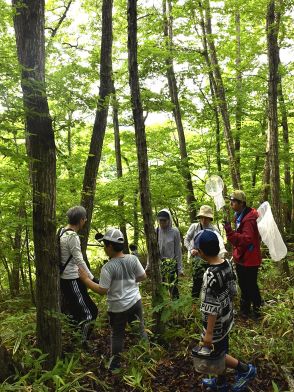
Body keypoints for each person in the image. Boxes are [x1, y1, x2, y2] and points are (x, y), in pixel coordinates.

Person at [195, 230, 256, 392]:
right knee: (222, 349)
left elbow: (211, 307)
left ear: (201, 252)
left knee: (217, 354)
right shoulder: (227, 264)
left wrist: (208, 333)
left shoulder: (210, 275)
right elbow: (234, 291)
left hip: (215, 325)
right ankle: (221, 383)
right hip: (227, 317)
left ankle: (245, 370)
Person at [79, 228, 148, 371]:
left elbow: (102, 290)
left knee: (117, 335)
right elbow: (143, 276)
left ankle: (115, 365)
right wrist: (129, 282)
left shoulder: (108, 268)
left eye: (104, 245)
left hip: (118, 308)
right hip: (135, 302)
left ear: (110, 246)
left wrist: (85, 279)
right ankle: (146, 357)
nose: (104, 247)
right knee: (139, 329)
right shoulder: (132, 259)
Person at [59, 206, 98, 346]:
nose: (85, 221)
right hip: (71, 279)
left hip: (68, 279)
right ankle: (82, 343)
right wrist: (92, 278)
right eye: (85, 218)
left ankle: (76, 338)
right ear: (81, 220)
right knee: (90, 313)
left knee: (76, 313)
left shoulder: (61, 231)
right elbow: (79, 260)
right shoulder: (72, 236)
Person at [223, 190, 262, 320]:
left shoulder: (249, 219)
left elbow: (247, 239)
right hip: (243, 258)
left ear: (242, 203)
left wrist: (229, 232)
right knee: (244, 285)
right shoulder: (240, 215)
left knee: (250, 285)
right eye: (231, 201)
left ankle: (257, 311)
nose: (231, 204)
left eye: (233, 202)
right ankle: (245, 310)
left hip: (249, 259)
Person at [184, 205, 226, 299]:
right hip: (197, 260)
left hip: (210, 261)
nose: (203, 220)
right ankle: (194, 305)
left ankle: (208, 300)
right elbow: (186, 240)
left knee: (210, 282)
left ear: (210, 218)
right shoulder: (194, 227)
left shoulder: (214, 230)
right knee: (197, 283)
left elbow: (219, 245)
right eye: (202, 217)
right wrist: (191, 249)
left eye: (206, 217)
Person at [156, 209, 183, 299]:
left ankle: (175, 305)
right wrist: (148, 266)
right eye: (160, 221)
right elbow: (152, 250)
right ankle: (164, 306)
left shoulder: (175, 231)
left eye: (164, 221)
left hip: (172, 263)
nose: (162, 223)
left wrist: (179, 269)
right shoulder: (156, 231)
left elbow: (178, 251)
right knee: (162, 286)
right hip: (161, 263)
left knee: (173, 287)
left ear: (169, 220)